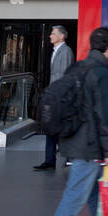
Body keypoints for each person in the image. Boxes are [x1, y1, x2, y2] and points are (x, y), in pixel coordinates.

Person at [38, 26, 108, 216]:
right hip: (89, 147)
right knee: (72, 201)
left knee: (95, 197)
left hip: (74, 140)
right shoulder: (102, 74)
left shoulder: (79, 67)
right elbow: (104, 118)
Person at [35, 25, 74, 170]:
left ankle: (69, 158)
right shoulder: (56, 51)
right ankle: (49, 160)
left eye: (53, 33)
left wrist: (58, 97)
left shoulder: (65, 51)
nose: (50, 35)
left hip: (60, 99)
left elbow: (64, 76)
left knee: (60, 129)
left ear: (61, 36)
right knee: (50, 128)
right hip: (54, 97)